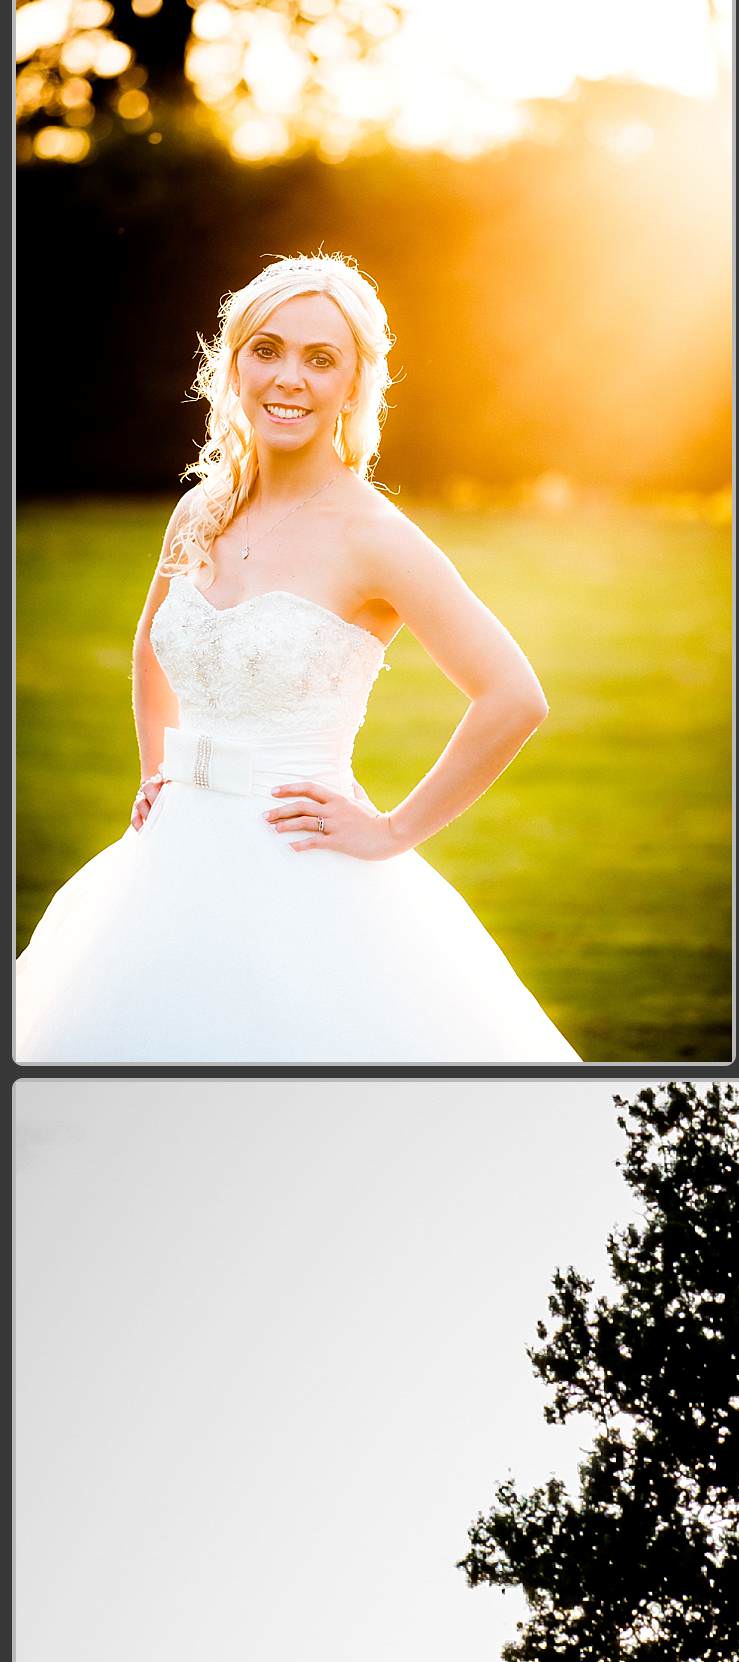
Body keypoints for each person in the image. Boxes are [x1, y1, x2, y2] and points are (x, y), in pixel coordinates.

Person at [16, 255, 574, 1063]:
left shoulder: (374, 538)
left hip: (302, 865)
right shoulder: (200, 511)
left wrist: (392, 830)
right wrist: (155, 772)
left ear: (354, 384)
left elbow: (513, 697)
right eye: (267, 349)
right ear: (233, 363)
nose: (289, 378)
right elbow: (152, 648)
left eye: (321, 360)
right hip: (167, 862)